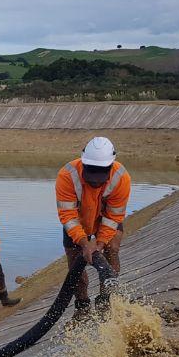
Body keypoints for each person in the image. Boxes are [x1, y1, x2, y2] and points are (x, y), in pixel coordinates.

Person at [56, 136, 131, 322]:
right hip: (77, 222)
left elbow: (113, 217)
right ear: (83, 162)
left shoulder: (121, 178)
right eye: (91, 176)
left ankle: (105, 301)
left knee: (111, 250)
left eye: (100, 177)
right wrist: (83, 243)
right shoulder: (67, 175)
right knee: (75, 263)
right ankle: (82, 306)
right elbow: (68, 216)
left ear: (110, 166)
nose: (95, 182)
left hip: (104, 220)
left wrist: (99, 243)